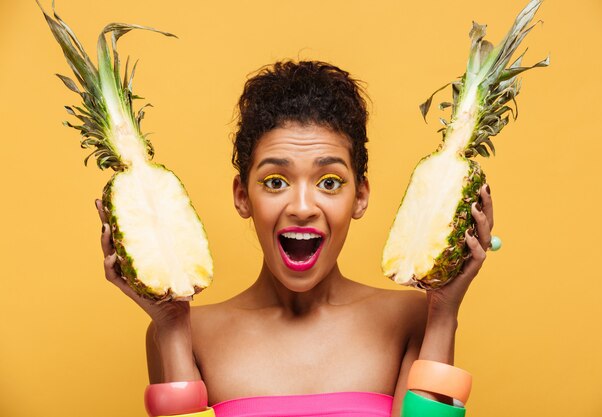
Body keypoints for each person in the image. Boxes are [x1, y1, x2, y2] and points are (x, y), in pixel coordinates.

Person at [95, 60, 494, 417]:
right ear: (242, 196)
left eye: (330, 182)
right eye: (275, 181)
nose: (302, 206)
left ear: (361, 196)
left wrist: (444, 313)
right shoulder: (187, 332)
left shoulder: (412, 320)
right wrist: (170, 326)